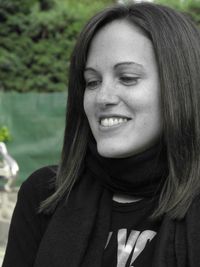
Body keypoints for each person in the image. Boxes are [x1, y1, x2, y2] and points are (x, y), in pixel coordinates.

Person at [2, 2, 200, 267]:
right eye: (92, 81)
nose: (102, 98)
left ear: (180, 86)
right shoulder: (44, 196)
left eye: (127, 77)